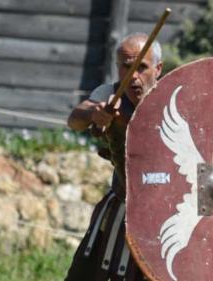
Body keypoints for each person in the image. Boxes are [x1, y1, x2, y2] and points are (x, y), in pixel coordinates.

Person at [65, 33, 163, 281]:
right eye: (126, 67)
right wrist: (95, 114)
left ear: (158, 69)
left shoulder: (175, 98)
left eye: (141, 67)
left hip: (166, 218)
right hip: (122, 205)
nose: (134, 77)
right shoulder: (110, 95)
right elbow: (76, 118)